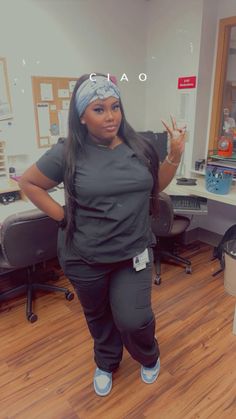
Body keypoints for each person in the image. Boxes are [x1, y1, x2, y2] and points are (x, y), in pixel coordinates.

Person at [19, 74, 186, 397]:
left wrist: (175, 154)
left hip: (132, 253)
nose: (110, 116)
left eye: (115, 107)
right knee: (97, 316)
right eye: (99, 109)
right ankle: (106, 361)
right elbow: (29, 183)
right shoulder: (67, 152)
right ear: (81, 115)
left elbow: (156, 186)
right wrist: (63, 216)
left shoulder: (140, 147)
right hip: (84, 256)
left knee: (134, 319)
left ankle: (147, 355)